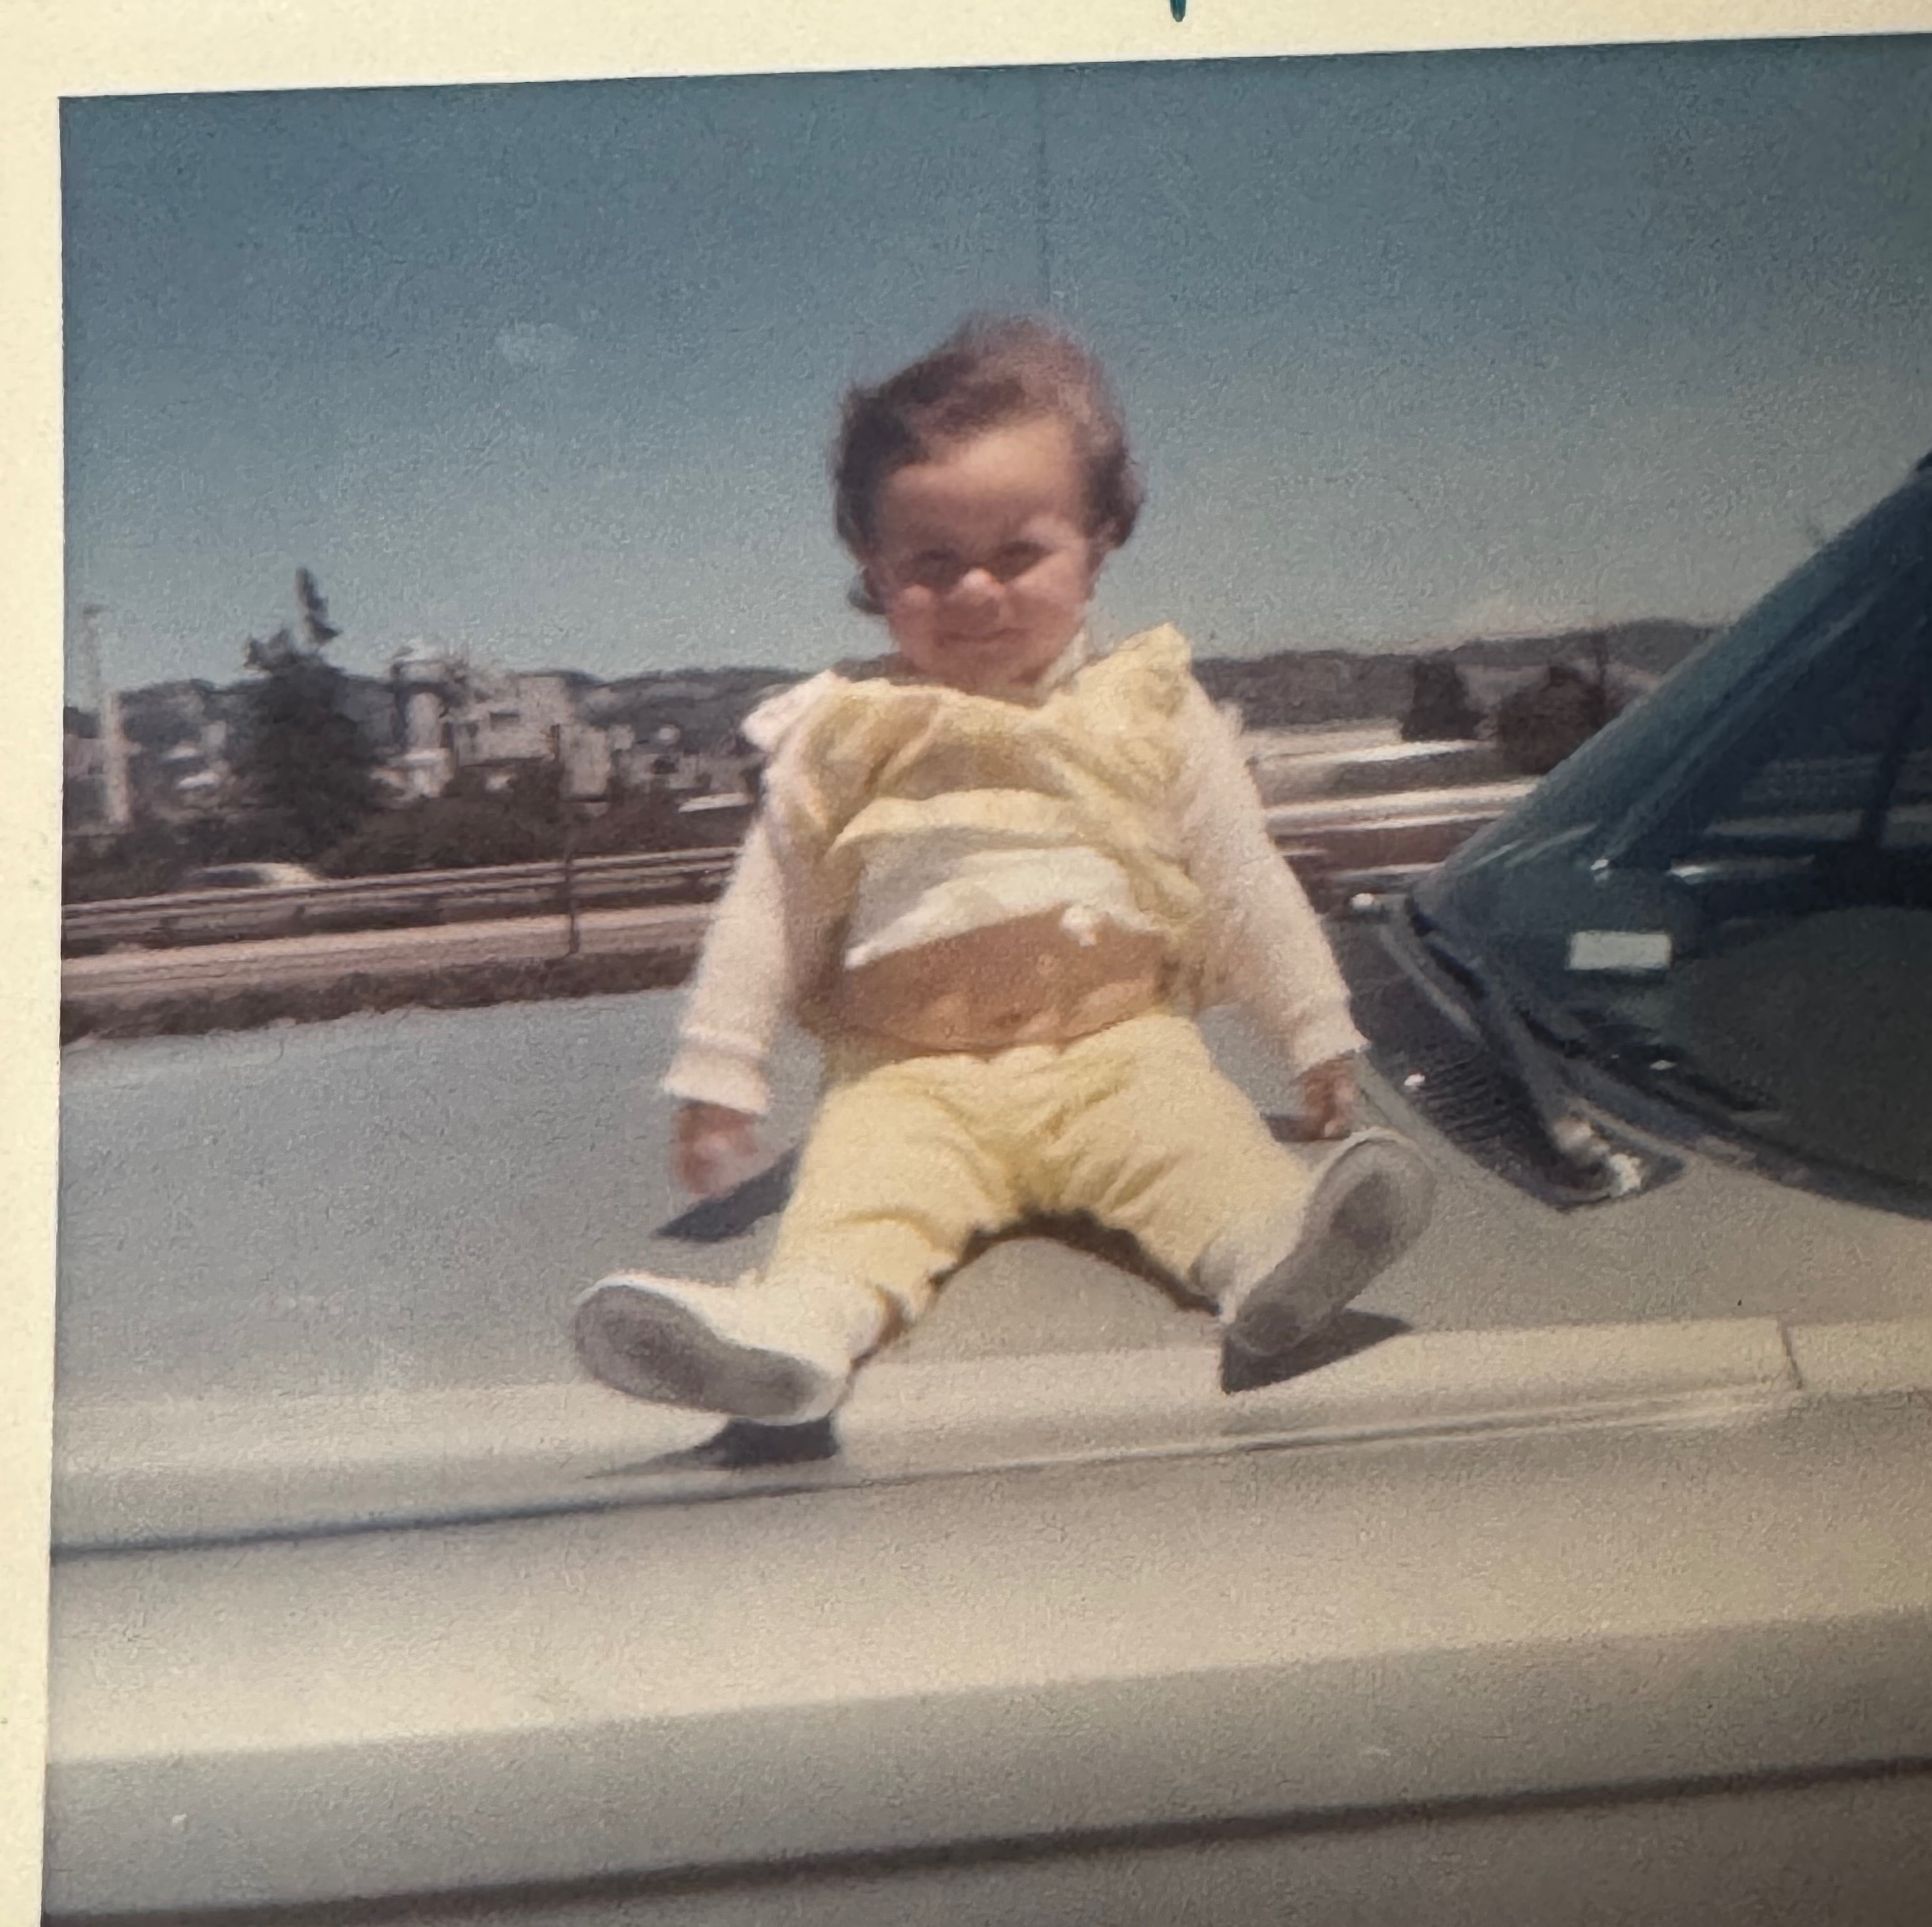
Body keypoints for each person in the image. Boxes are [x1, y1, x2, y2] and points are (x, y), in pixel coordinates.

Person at [573, 316, 1433, 1426]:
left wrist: (1314, 1031)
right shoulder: (848, 731)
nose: (976, 591)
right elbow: (771, 905)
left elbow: (1241, 878)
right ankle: (792, 1338)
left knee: (1203, 1154)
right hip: (908, 1079)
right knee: (856, 1215)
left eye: (1018, 555)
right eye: (932, 565)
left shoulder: (1150, 709)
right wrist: (718, 1077)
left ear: (1098, 543)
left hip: (1119, 1051)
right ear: (874, 569)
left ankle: (1272, 1264)